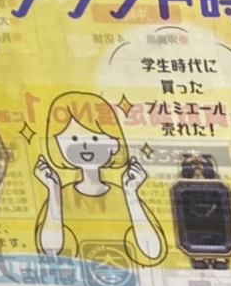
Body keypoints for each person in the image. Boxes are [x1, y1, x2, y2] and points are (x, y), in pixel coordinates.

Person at [34, 92, 166, 267]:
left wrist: (131, 194)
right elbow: (50, 252)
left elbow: (152, 253)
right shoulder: (61, 195)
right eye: (73, 138)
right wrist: (53, 191)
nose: (85, 146)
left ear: (114, 144)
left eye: (95, 137)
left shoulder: (123, 195)